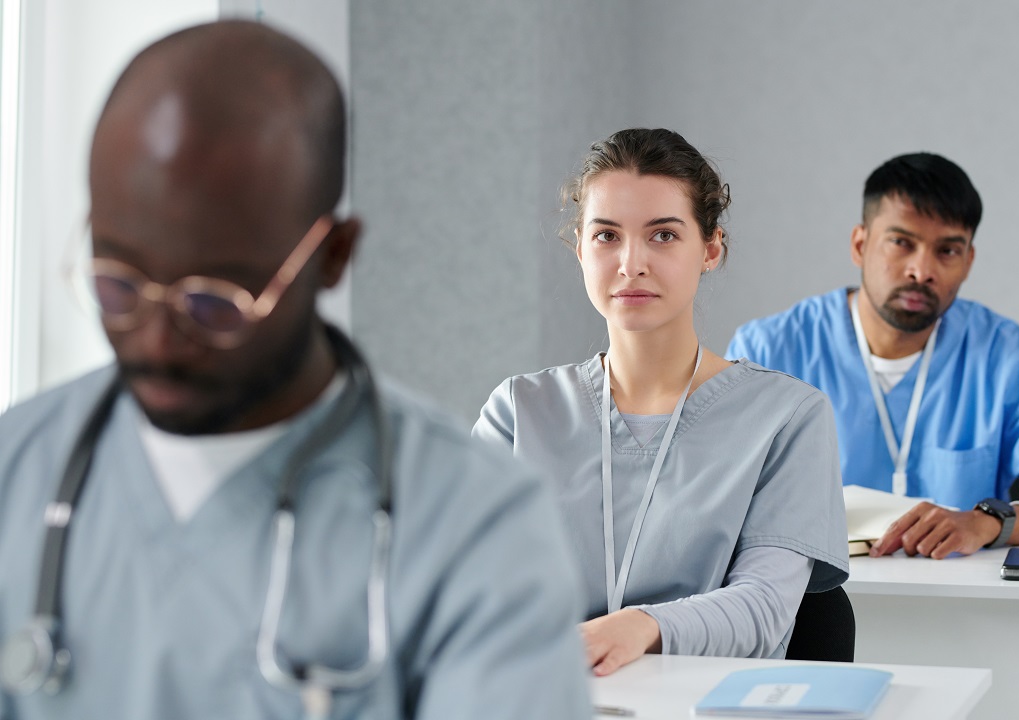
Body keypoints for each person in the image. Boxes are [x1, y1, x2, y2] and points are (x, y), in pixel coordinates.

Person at [0, 20, 592, 720]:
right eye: (118, 286)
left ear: (333, 255)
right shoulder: (18, 466)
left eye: (214, 301)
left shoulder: (474, 526)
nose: (156, 342)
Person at [472, 128, 849, 676]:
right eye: (606, 236)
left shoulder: (788, 416)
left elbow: (766, 607)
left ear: (711, 249)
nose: (631, 263)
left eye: (663, 236)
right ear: (578, 247)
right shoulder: (519, 410)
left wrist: (641, 627)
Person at [727, 152, 1019, 559]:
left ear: (968, 262)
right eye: (901, 242)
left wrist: (987, 521)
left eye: (947, 251)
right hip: (808, 602)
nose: (921, 270)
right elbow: (724, 501)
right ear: (860, 245)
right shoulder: (769, 349)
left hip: (964, 603)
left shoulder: (1008, 354)